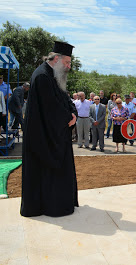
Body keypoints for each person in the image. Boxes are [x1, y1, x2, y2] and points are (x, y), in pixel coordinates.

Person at [21, 41, 78, 217]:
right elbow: (51, 108)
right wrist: (68, 118)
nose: (68, 67)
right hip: (43, 137)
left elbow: (63, 98)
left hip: (53, 133)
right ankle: (52, 206)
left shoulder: (52, 75)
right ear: (56, 59)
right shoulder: (42, 77)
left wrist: (72, 112)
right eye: (67, 63)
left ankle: (61, 202)